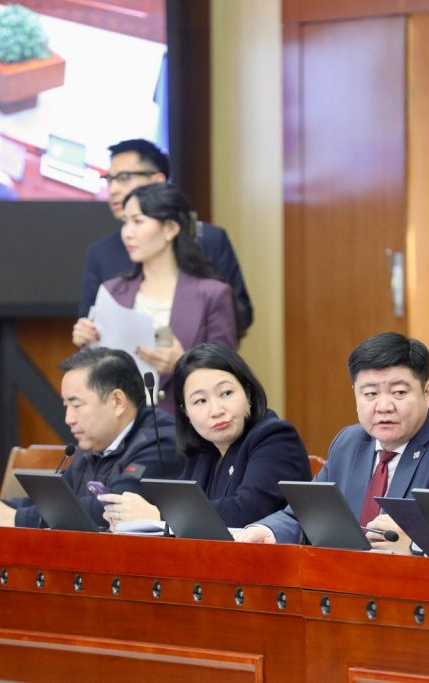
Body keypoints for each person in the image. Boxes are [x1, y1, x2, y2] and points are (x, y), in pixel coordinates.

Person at [236, 332, 429, 548]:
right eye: (370, 394)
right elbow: (307, 516)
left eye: (399, 392)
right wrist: (267, 530)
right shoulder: (348, 442)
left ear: (427, 393)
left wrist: (413, 546)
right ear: (355, 394)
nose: (384, 406)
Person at [0, 347, 182, 528]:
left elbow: (112, 509)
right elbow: (57, 504)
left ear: (117, 402)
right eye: (66, 405)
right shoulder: (93, 444)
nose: (68, 419)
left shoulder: (161, 442)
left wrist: (17, 519)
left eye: (77, 405)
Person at [100, 342, 312, 528]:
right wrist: (129, 517)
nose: (216, 410)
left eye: (226, 393)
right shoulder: (204, 448)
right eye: (200, 401)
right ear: (186, 412)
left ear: (248, 393)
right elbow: (182, 507)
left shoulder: (275, 438)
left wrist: (158, 516)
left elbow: (247, 511)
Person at [71, 183, 237, 415]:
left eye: (138, 221)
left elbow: (227, 377)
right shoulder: (112, 291)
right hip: (121, 423)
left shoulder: (212, 294)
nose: (127, 232)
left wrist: (182, 365)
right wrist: (86, 343)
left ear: (170, 229)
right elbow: (95, 374)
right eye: (125, 221)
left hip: (185, 424)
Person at [78, 139, 252, 334]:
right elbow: (91, 321)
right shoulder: (101, 253)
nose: (113, 189)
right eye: (109, 179)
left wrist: (192, 340)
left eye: (124, 178)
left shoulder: (208, 239)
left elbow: (240, 315)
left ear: (158, 181)